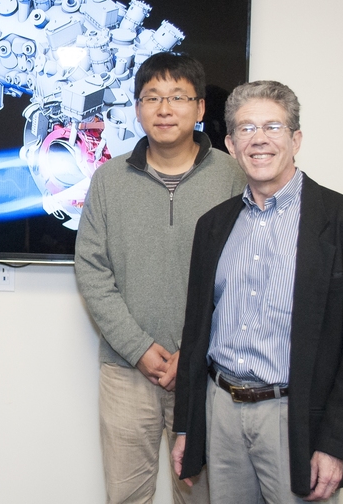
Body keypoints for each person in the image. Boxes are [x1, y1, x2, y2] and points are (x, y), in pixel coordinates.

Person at [172, 80, 343, 503]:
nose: (259, 139)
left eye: (273, 127)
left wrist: (336, 444)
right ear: (231, 145)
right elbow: (195, 336)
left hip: (294, 417)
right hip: (220, 411)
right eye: (246, 129)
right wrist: (186, 426)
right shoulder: (212, 225)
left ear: (296, 139)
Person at [75, 52, 245, 504]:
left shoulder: (233, 177)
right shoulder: (109, 179)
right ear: (137, 108)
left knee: (203, 496)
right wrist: (138, 348)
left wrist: (194, 350)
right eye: (152, 97)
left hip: (208, 372)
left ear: (200, 107)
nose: (164, 109)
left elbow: (244, 275)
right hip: (127, 371)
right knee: (126, 496)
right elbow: (91, 269)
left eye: (178, 97)